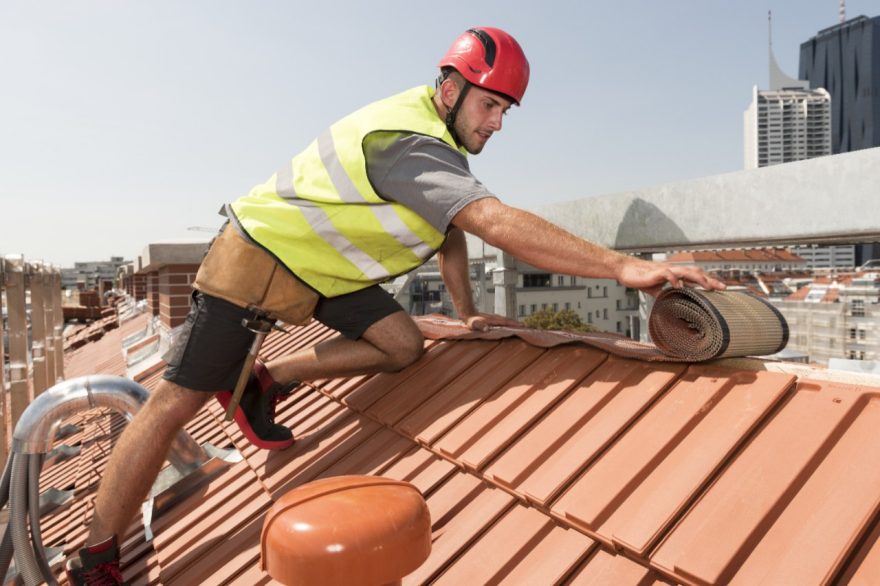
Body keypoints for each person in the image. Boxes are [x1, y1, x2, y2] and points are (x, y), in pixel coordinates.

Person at [65, 26, 724, 585]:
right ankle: (95, 554)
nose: (497, 123)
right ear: (451, 88)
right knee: (173, 402)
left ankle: (267, 381)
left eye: (505, 111)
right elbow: (491, 222)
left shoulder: (439, 146)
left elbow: (451, 231)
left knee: (403, 345)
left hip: (322, 273)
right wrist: (622, 267)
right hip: (259, 255)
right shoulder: (408, 141)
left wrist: (466, 313)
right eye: (489, 104)